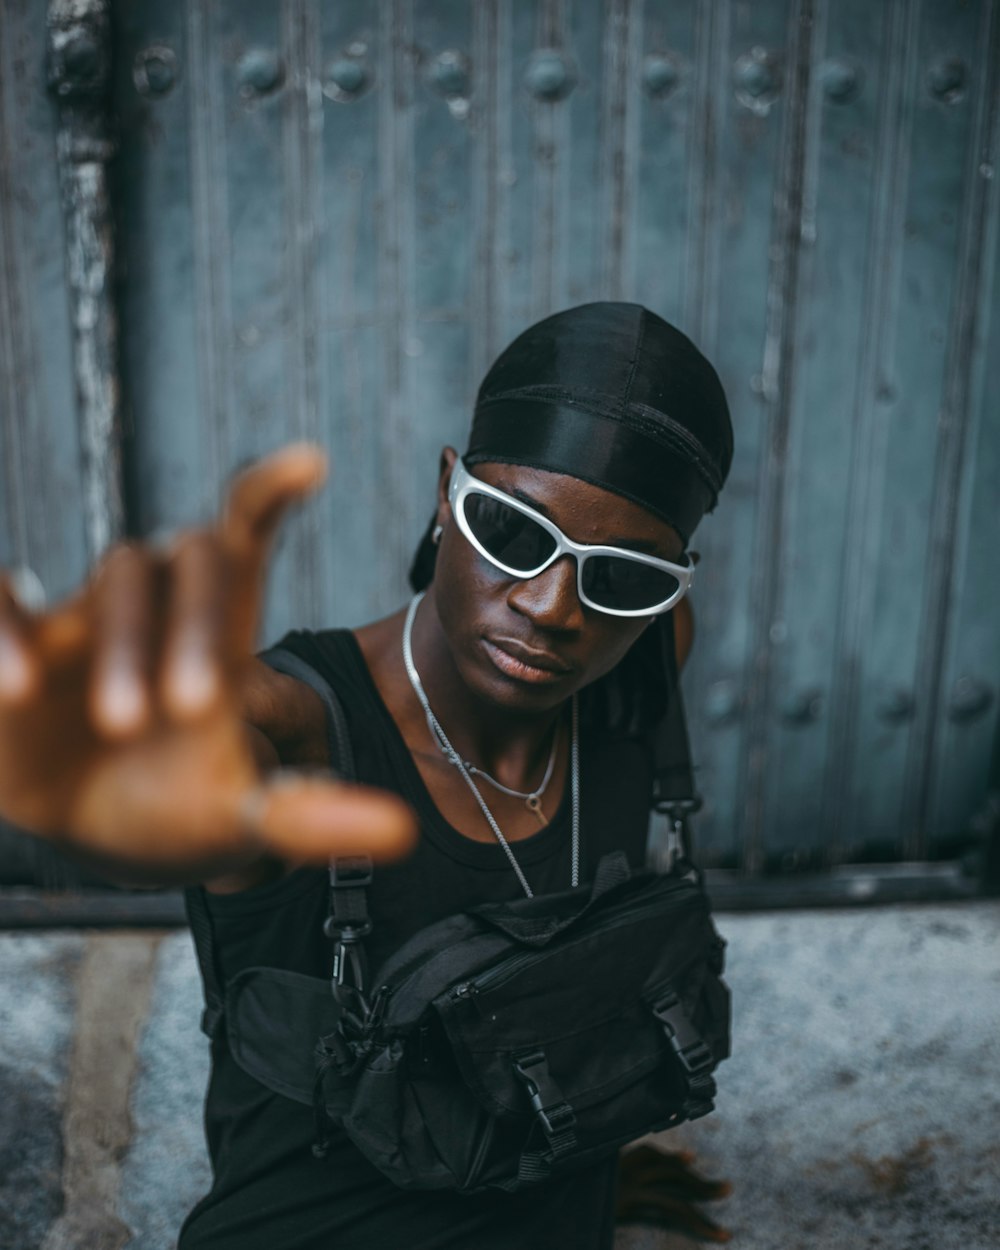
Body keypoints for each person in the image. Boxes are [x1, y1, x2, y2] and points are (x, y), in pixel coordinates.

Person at [0, 302, 733, 1249]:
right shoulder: (301, 732)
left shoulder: (643, 666)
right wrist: (100, 808)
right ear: (447, 492)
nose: (553, 606)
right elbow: (207, 789)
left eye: (623, 576)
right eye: (515, 532)